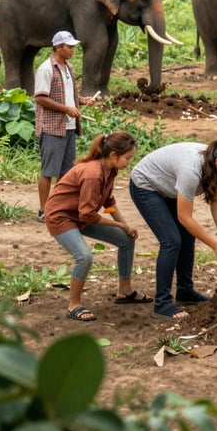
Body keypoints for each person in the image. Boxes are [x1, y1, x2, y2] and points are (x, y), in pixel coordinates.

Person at [130, 139, 217, 321]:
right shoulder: (191, 170)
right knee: (171, 240)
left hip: (168, 187)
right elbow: (184, 217)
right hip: (146, 184)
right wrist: (215, 244)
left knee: (187, 237)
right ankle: (162, 304)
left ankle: (185, 291)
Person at [44, 131, 147, 322]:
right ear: (113, 155)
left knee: (126, 240)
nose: (129, 162)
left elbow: (108, 202)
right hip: (61, 216)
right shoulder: (92, 174)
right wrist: (119, 224)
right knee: (84, 257)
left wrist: (125, 226)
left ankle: (125, 291)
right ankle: (74, 305)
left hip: (80, 214)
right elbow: (88, 215)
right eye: (127, 158)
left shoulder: (110, 170)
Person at [34, 30, 95, 222]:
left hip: (68, 127)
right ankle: (43, 211)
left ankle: (57, 207)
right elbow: (40, 97)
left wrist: (82, 100)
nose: (72, 50)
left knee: (65, 172)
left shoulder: (68, 68)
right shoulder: (46, 69)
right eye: (69, 47)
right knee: (48, 171)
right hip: (52, 128)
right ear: (58, 47)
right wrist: (67, 109)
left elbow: (67, 94)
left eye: (73, 47)